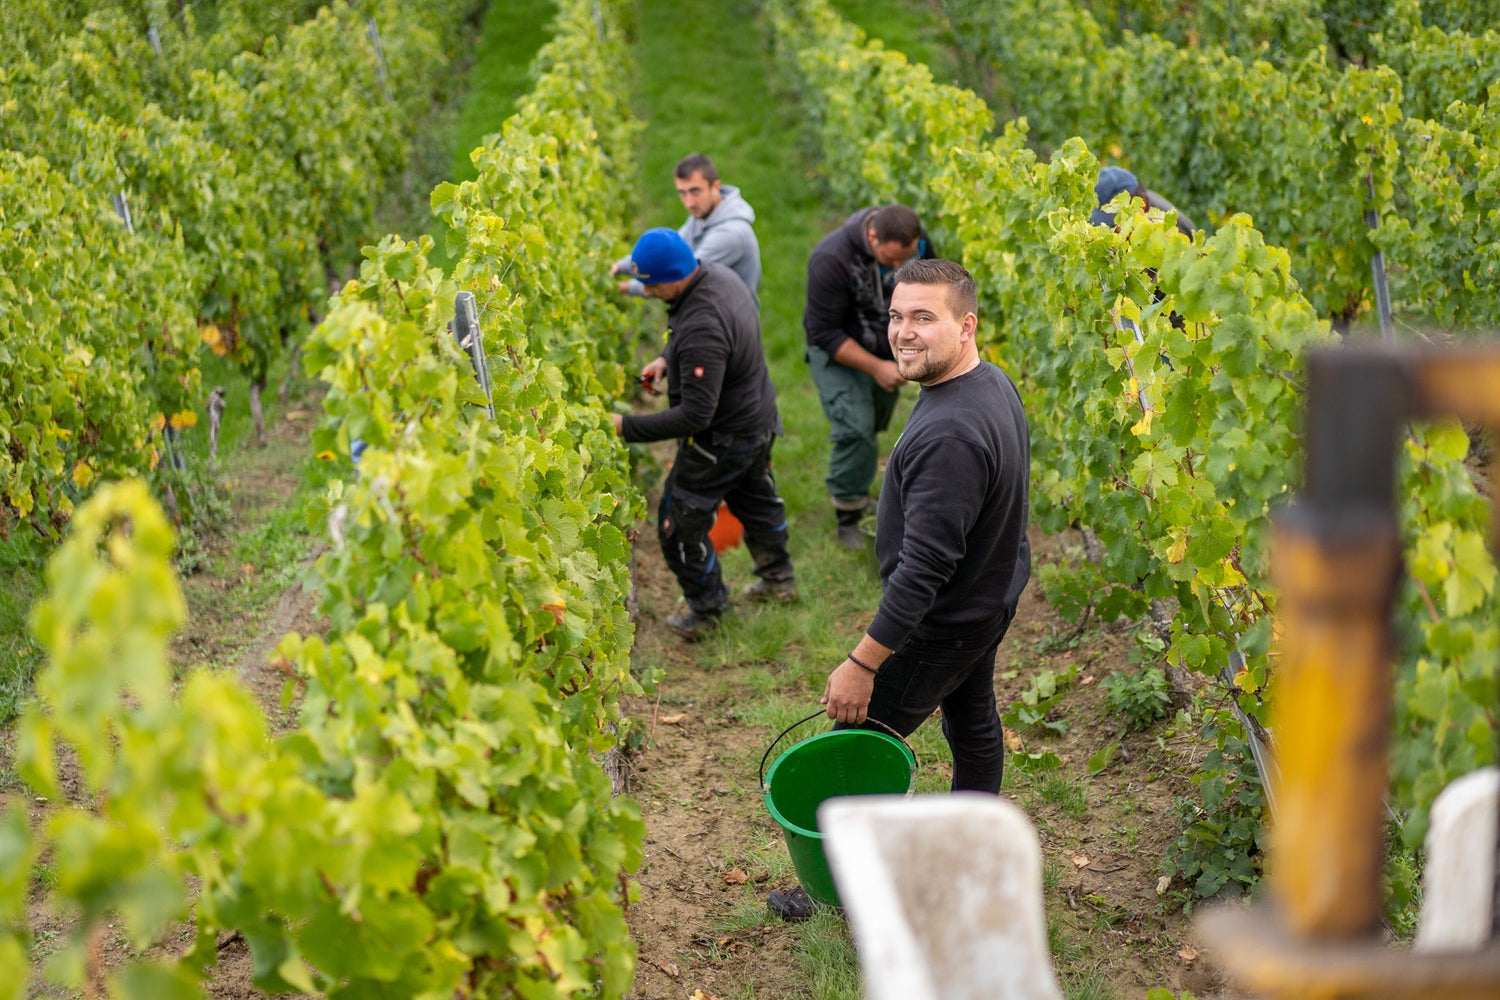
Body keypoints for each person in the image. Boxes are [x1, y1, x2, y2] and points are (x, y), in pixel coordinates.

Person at [767, 259, 1031, 921]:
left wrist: (862, 663)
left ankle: (847, 891)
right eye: (896, 316)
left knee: (851, 753)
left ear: (965, 326)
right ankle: (974, 860)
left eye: (924, 318)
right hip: (988, 600)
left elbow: (922, 573)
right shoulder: (989, 384)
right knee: (973, 725)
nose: (903, 332)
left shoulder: (950, 434)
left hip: (942, 623)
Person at [609, 228, 795, 640]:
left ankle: (708, 610)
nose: (648, 292)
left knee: (679, 525)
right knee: (757, 502)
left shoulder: (701, 324)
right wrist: (665, 357)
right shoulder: (716, 276)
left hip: (723, 438)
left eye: (651, 285)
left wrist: (625, 427)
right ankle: (779, 580)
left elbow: (694, 416)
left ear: (673, 277)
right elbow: (699, 342)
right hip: (758, 419)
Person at [803, 203, 935, 549]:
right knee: (856, 427)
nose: (897, 269)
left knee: (874, 421)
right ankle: (849, 512)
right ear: (872, 235)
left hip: (886, 348)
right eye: (889, 261)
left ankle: (863, 498)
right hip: (838, 349)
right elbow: (823, 333)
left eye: (902, 260)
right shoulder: (831, 258)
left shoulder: (917, 248)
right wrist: (877, 367)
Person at [613, 153, 762, 307]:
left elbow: (682, 278)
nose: (689, 203)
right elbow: (667, 252)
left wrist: (622, 288)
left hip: (730, 323)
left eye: (695, 191)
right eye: (683, 193)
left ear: (716, 187)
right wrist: (619, 266)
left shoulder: (731, 234)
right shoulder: (702, 216)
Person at [1089, 165, 1196, 237]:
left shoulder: (1171, 229)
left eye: (1116, 215)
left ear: (1137, 200)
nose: (1114, 228)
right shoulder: (1141, 213)